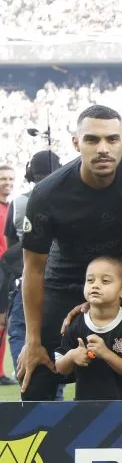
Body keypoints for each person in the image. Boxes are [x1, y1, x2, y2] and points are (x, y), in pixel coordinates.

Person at [17, 106, 122, 400]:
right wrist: (32, 340)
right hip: (63, 284)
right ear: (76, 143)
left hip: (121, 283)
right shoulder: (47, 195)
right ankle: (39, 442)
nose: (103, 149)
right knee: (37, 373)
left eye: (112, 139)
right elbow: (33, 270)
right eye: (92, 140)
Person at [2, 152, 61, 387]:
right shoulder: (73, 199)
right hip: (62, 285)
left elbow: (11, 249)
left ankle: (37, 396)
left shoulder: (18, 203)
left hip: (27, 284)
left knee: (21, 334)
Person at [54, 257, 122, 400]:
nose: (95, 285)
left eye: (105, 281)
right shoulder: (75, 323)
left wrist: (106, 354)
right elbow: (60, 368)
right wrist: (72, 356)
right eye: (90, 280)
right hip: (86, 408)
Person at [0, 164, 12, 384]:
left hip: (6, 272)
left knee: (3, 323)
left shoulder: (12, 208)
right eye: (3, 179)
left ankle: (0, 372)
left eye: (11, 179)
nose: (7, 182)